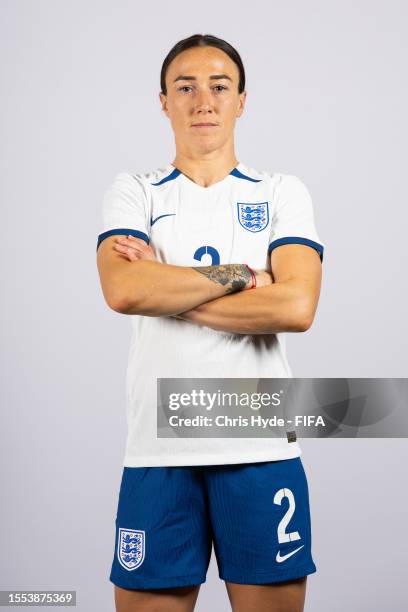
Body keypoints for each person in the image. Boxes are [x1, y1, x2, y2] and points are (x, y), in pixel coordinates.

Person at [96, 33, 324, 612]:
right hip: (157, 452)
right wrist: (250, 277)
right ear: (164, 101)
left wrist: (167, 286)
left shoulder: (280, 193)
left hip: (260, 441)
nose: (203, 100)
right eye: (186, 87)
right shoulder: (134, 192)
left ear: (242, 100)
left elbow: (296, 307)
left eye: (219, 86)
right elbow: (124, 290)